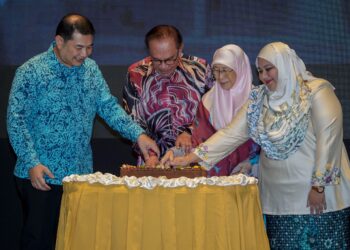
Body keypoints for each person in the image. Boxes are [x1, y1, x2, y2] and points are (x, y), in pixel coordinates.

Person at [162, 42, 350, 249]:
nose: (263, 76)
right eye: (259, 71)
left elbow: (329, 138)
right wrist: (189, 158)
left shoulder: (317, 92)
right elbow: (230, 134)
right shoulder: (259, 98)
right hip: (277, 200)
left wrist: (319, 186)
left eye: (269, 69)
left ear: (285, 65)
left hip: (315, 196)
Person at [7, 13, 159, 250]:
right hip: (41, 175)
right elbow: (16, 121)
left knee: (75, 241)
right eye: (79, 47)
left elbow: (108, 107)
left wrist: (138, 135)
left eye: (90, 47)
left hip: (79, 175)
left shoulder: (90, 69)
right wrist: (31, 162)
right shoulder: (31, 72)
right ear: (59, 41)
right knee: (39, 242)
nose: (85, 54)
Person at [165, 44, 260, 176]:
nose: (220, 77)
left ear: (240, 68)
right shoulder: (208, 101)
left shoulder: (257, 100)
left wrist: (253, 162)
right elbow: (199, 140)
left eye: (226, 70)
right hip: (214, 177)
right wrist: (176, 152)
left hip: (249, 175)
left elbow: (231, 137)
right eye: (216, 70)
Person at [123, 25, 210, 167]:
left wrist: (190, 132)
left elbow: (212, 112)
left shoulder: (200, 70)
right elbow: (133, 122)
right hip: (152, 159)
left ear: (180, 49)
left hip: (195, 157)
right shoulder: (136, 74)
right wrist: (150, 154)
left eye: (170, 59)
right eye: (156, 60)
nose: (163, 66)